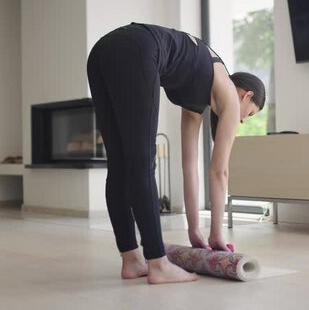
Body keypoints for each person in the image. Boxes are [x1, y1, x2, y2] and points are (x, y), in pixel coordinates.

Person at [87, 22, 266, 285]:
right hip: (138, 48)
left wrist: (194, 230)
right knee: (141, 163)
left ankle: (131, 260)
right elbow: (219, 171)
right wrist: (217, 234)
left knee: (121, 164)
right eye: (249, 114)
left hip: (102, 50)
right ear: (246, 95)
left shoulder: (198, 90)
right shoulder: (227, 91)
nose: (242, 121)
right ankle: (158, 263)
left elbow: (189, 167)